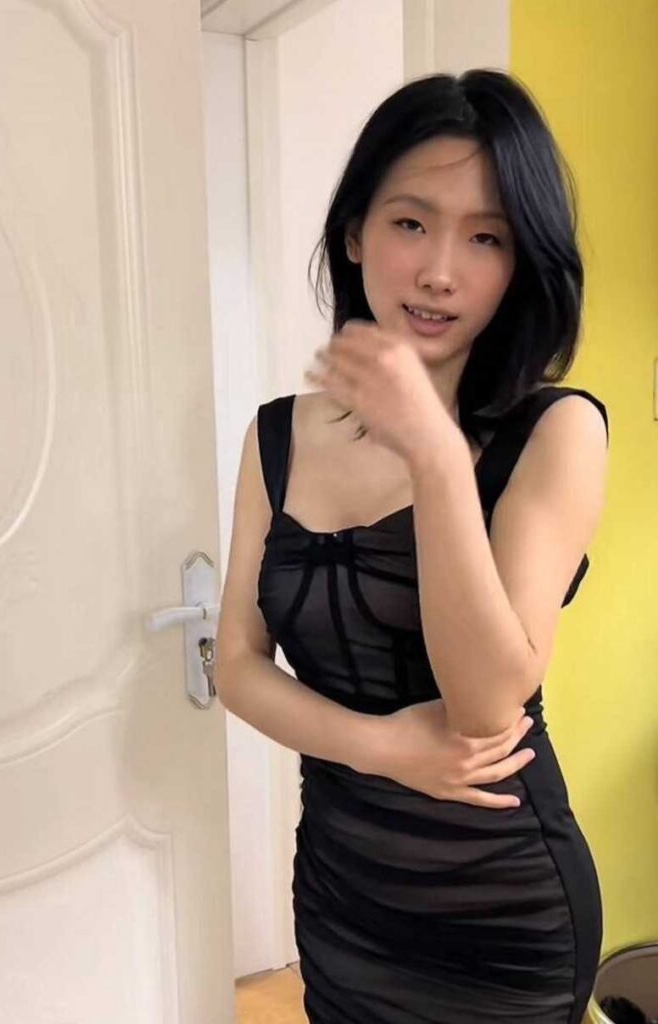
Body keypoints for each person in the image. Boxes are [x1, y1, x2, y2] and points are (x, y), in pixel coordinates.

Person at [214, 69, 610, 1024]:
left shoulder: (555, 431)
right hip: (343, 888)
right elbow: (235, 664)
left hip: (501, 909)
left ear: (520, 263)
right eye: (410, 223)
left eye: (486, 238)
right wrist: (381, 748)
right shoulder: (276, 434)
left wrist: (435, 456)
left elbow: (485, 706)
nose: (440, 271)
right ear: (356, 233)